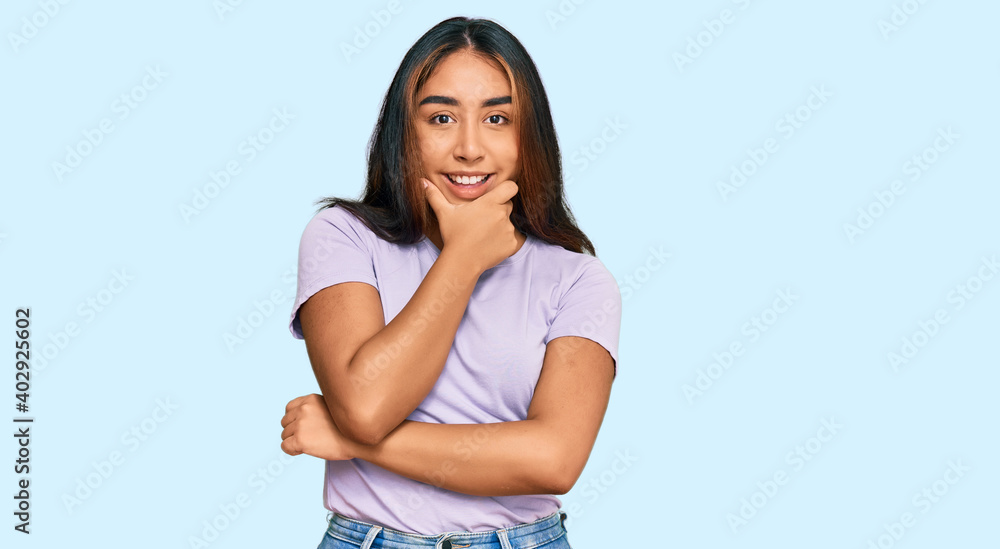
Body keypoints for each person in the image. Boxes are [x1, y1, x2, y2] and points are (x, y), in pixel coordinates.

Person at [280, 16, 622, 549]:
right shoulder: (343, 238)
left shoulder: (579, 279)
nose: (468, 148)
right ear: (405, 132)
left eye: (497, 119)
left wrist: (356, 442)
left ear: (529, 136)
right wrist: (463, 257)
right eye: (441, 117)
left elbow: (553, 460)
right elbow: (366, 407)